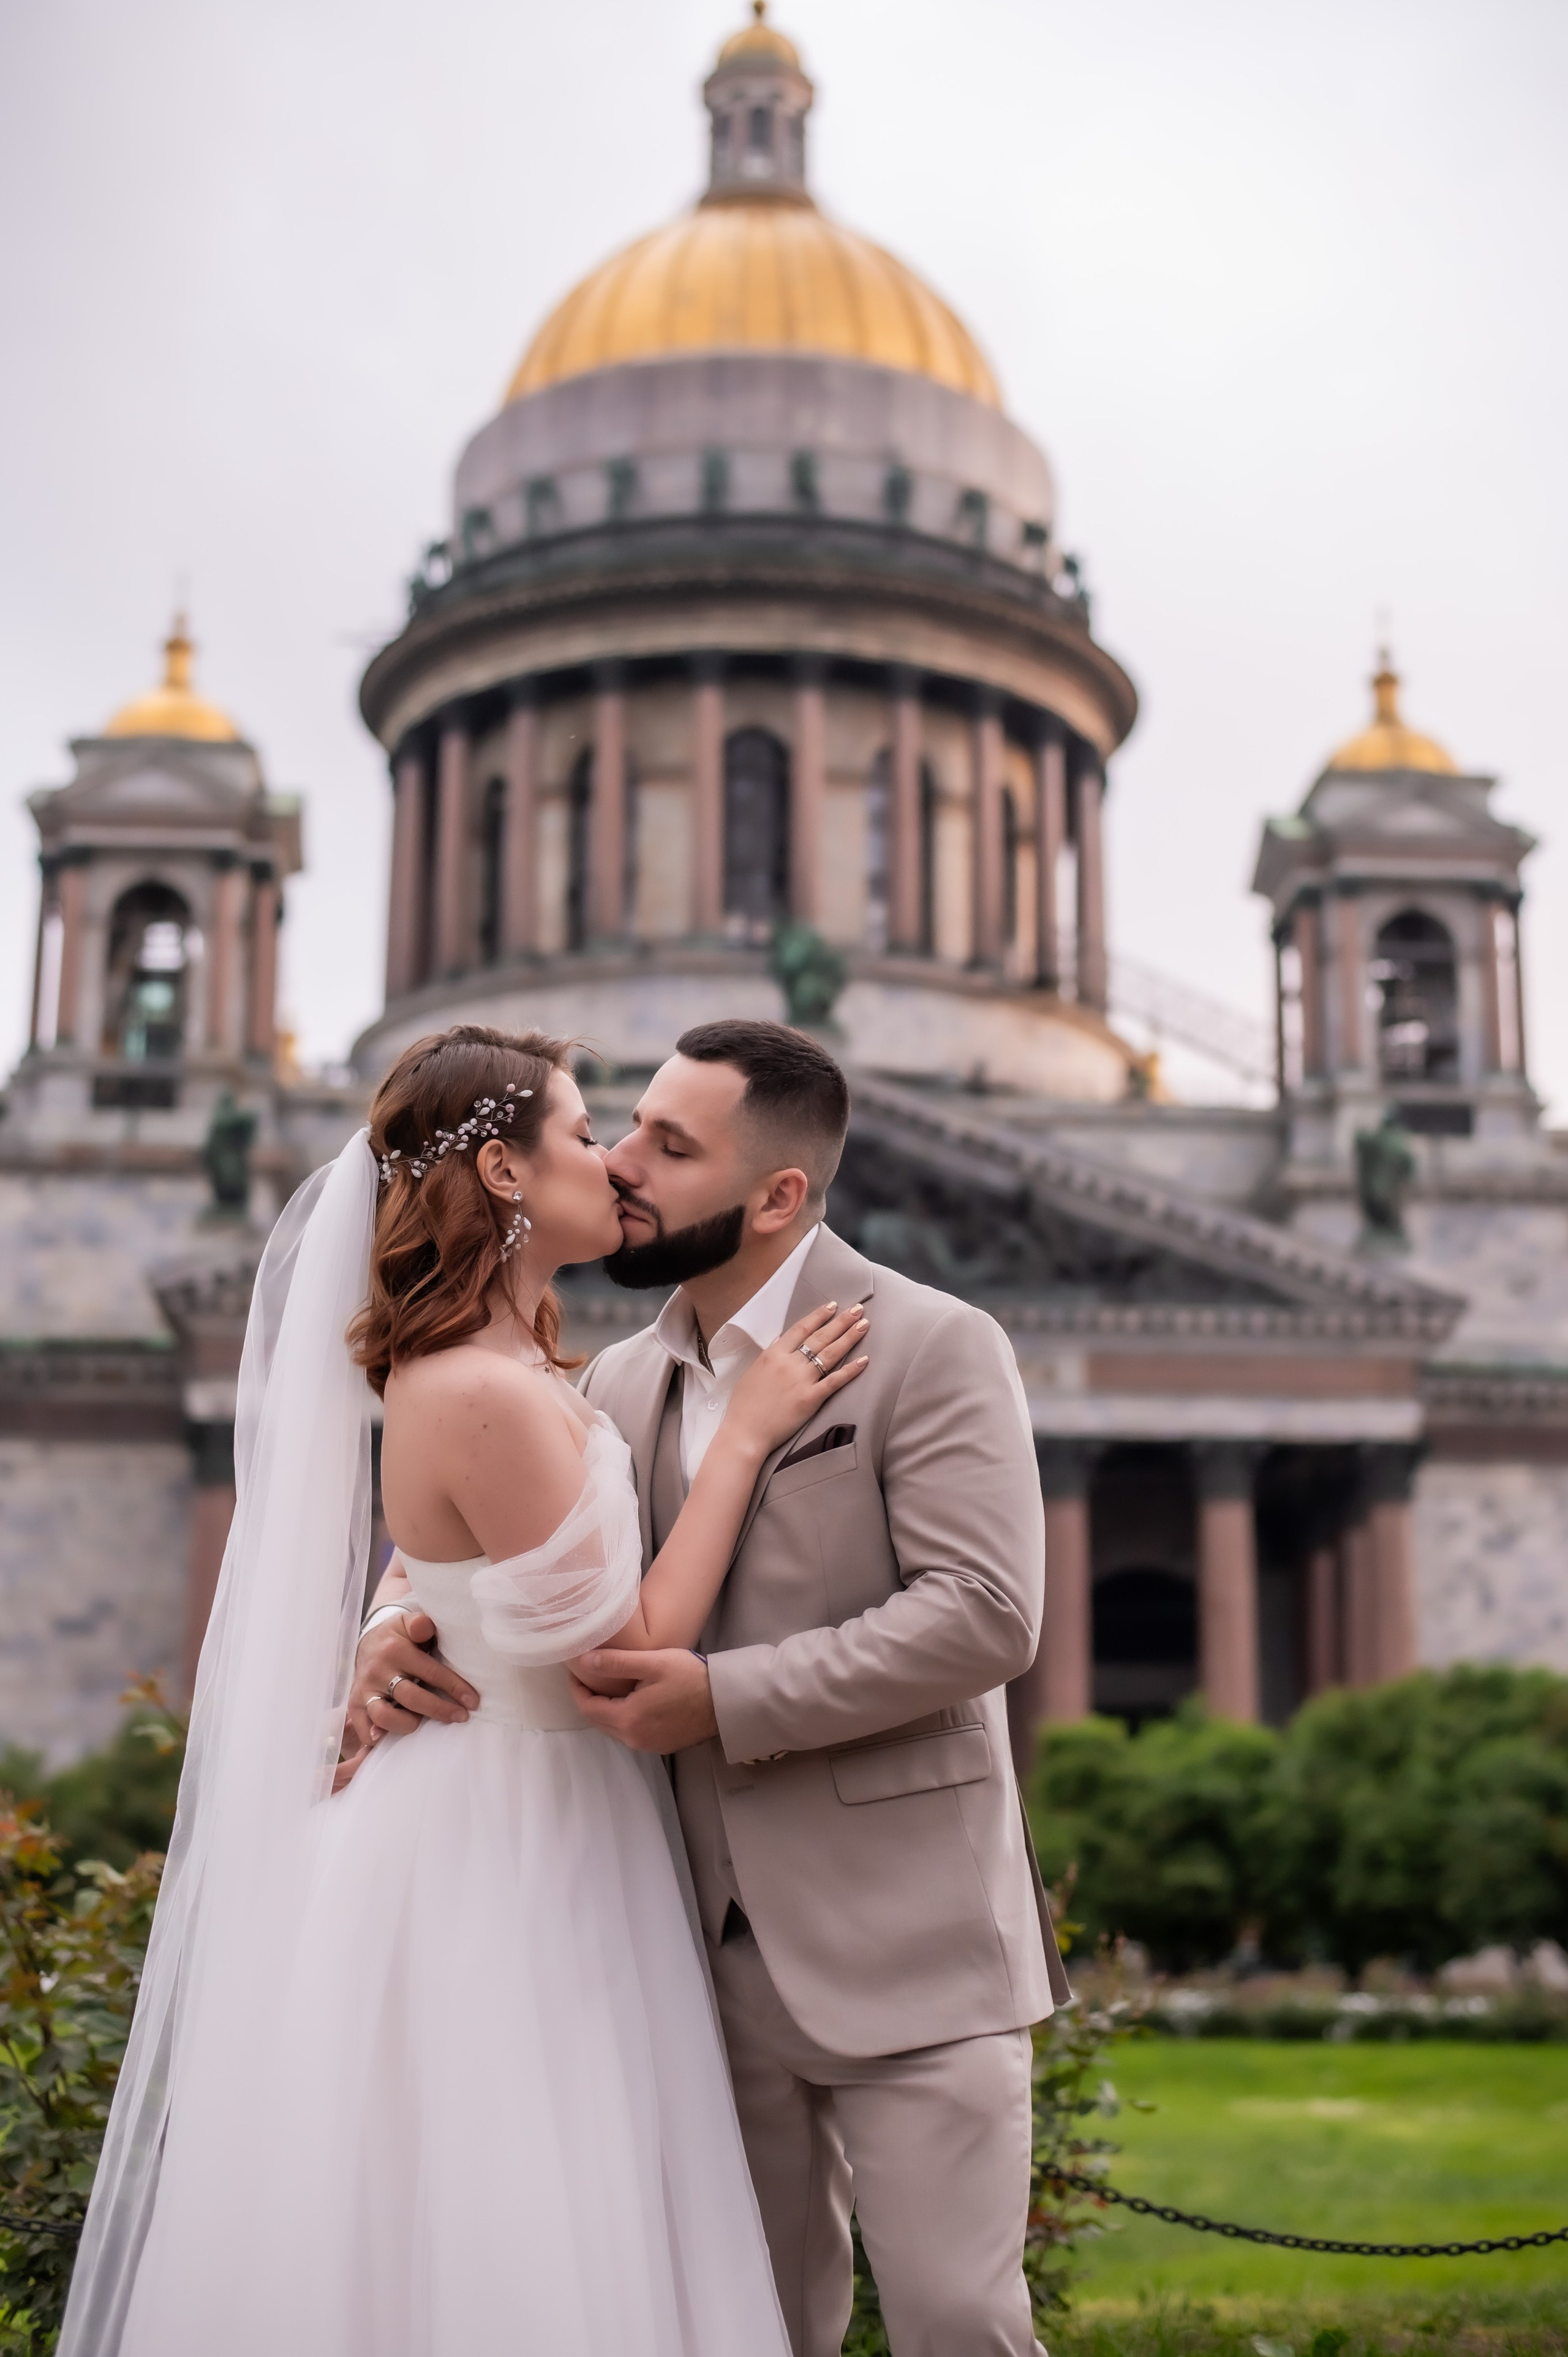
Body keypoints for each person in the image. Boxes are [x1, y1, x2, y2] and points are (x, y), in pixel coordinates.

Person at [61, 1024, 868, 2357]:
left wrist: (397, 1613)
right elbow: (623, 1651)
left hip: (548, 1812)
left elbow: (450, 1563)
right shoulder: (481, 1389)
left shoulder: (532, 1370)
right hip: (516, 1838)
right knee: (519, 2214)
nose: (611, 1161)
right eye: (580, 1131)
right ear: (500, 1171)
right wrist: (748, 1433)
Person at [355, 1018, 1069, 2357]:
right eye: (618, 1128)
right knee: (744, 2329)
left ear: (776, 1194)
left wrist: (720, 1698)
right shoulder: (608, 1381)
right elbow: (500, 1543)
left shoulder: (932, 1342)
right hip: (678, 1951)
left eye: (666, 1147)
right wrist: (391, 1621)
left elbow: (984, 1614)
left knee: (959, 2323)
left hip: (903, 1939)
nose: (621, 1164)